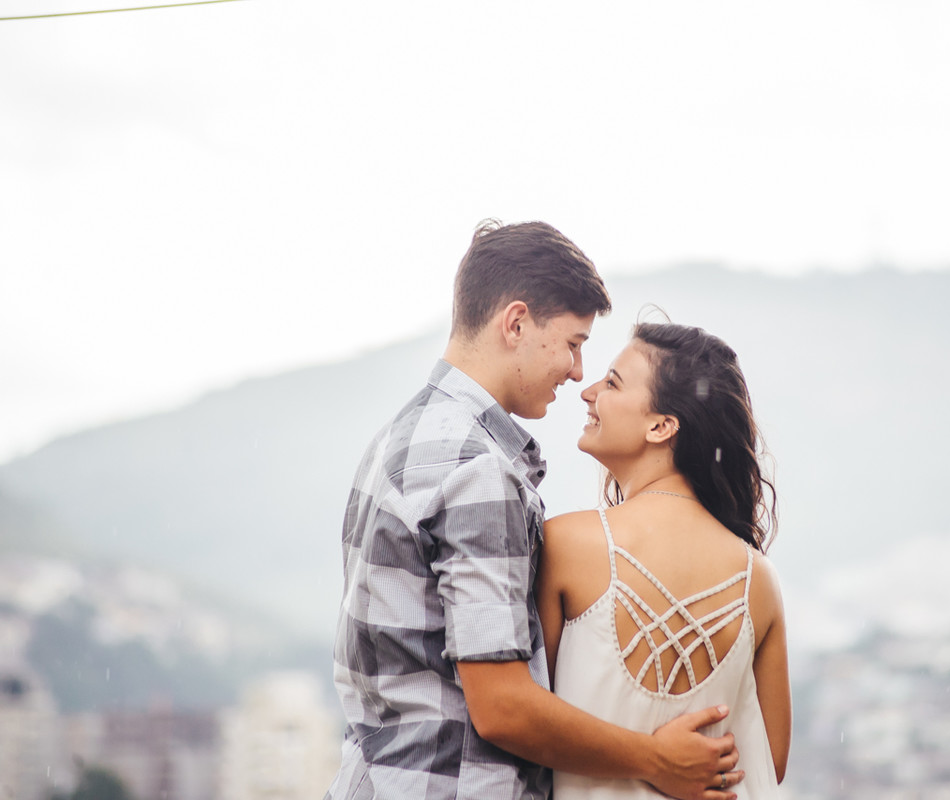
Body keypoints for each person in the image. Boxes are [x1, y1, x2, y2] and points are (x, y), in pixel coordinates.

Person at [324, 221, 744, 800]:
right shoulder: (478, 469)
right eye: (573, 344)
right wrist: (655, 758)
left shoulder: (400, 439)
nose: (577, 373)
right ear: (516, 323)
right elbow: (501, 708)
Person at [537, 321, 791, 799]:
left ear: (661, 426)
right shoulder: (759, 579)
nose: (587, 391)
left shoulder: (567, 545)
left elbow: (528, 723)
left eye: (612, 382)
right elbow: (768, 760)